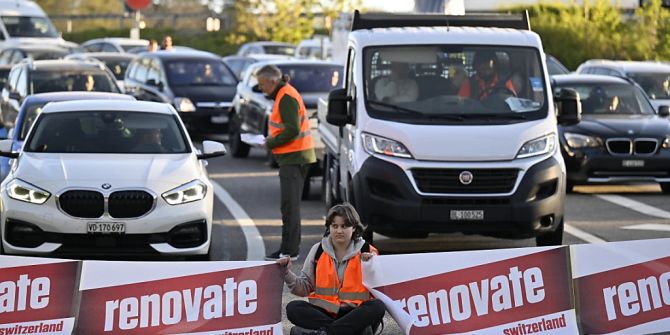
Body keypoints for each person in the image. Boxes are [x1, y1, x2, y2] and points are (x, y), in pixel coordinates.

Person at [277, 203, 386, 335]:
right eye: (335, 226)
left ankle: (324, 333)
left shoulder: (368, 251)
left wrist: (370, 267)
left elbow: (381, 292)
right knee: (293, 308)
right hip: (324, 312)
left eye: (344, 226)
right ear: (329, 227)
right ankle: (348, 331)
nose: (339, 230)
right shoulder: (318, 250)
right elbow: (304, 287)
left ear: (354, 228)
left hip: (354, 313)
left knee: (377, 307)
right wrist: (286, 273)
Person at [258, 64, 316, 261]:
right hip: (293, 157)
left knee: (290, 207)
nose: (261, 88)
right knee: (289, 206)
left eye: (262, 84)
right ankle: (288, 249)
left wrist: (270, 143)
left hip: (295, 157)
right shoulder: (283, 94)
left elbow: (292, 129)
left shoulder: (285, 96)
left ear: (273, 81)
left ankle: (289, 251)